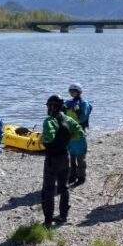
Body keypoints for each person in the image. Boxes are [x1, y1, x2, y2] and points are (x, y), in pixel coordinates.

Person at [40, 94, 85, 228]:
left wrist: (42, 139)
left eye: (48, 106)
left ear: (53, 106)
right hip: (65, 157)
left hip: (52, 159)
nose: (47, 108)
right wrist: (68, 137)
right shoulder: (68, 119)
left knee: (48, 190)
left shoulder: (49, 120)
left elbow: (49, 137)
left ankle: (48, 220)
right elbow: (81, 132)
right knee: (63, 188)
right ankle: (63, 216)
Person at [63, 82, 92, 186]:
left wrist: (78, 111)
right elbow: (63, 116)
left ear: (79, 92)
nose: (71, 93)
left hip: (79, 133)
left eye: (74, 91)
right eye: (70, 91)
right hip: (70, 134)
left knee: (80, 157)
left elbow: (83, 118)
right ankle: (72, 176)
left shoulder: (84, 103)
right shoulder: (68, 103)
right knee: (72, 156)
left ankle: (81, 177)